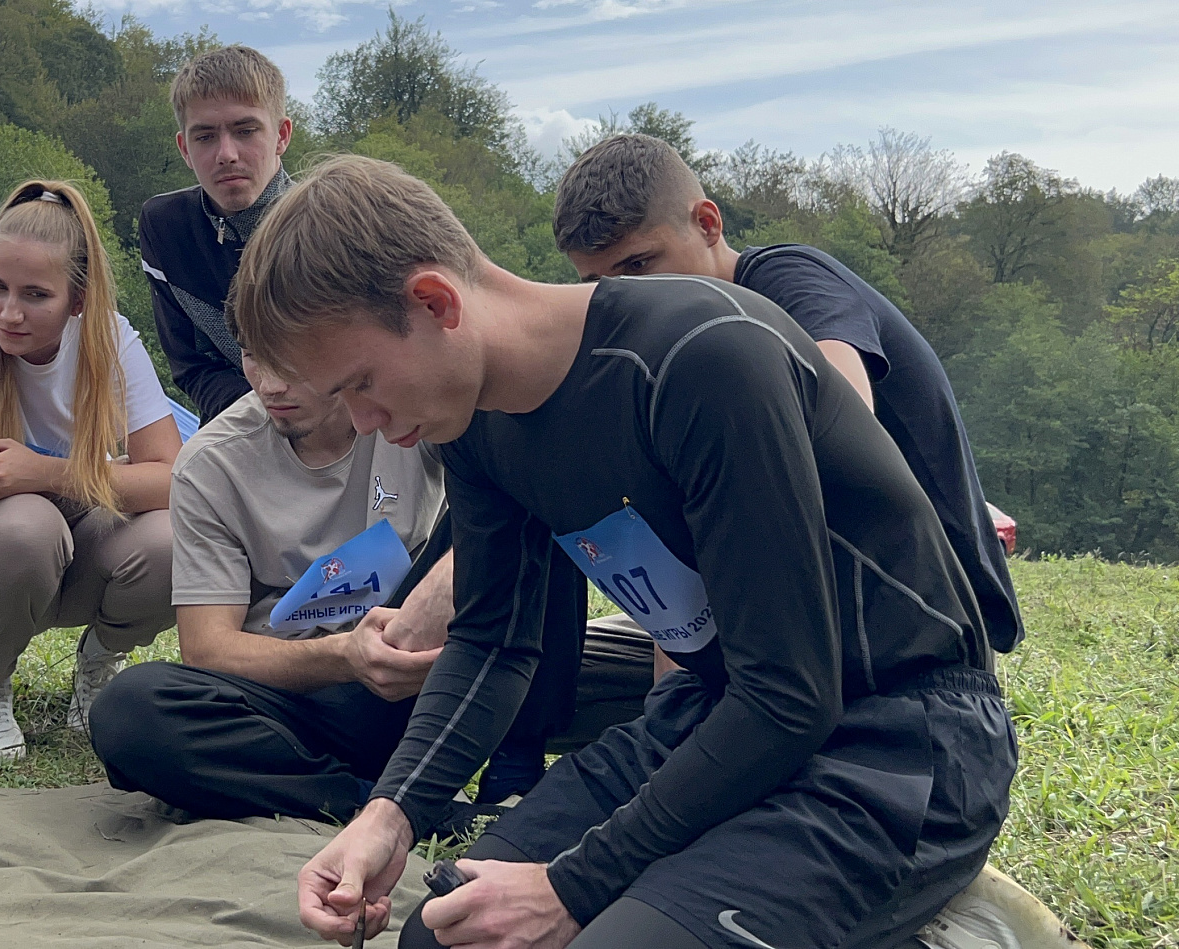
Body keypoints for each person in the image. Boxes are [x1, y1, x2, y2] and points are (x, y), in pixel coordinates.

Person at [231, 156, 1015, 949]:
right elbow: (493, 638)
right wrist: (388, 815)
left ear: (435, 302)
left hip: (896, 738)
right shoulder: (473, 424)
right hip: (710, 715)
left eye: (360, 382)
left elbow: (790, 693)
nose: (363, 421)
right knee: (444, 938)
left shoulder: (703, 357)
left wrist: (573, 886)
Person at [88, 353, 653, 825]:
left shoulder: (404, 407)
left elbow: (537, 468)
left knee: (540, 503)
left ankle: (515, 775)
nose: (271, 383)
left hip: (429, 659)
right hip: (298, 704)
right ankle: (374, 803)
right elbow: (209, 649)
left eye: (290, 357)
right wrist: (345, 655)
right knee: (131, 708)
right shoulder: (210, 464)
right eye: (254, 356)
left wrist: (459, 568)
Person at [552, 133, 1023, 656]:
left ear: (707, 224)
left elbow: (839, 426)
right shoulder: (667, 346)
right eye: (600, 284)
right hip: (783, 598)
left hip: (917, 612)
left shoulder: (789, 279)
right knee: (542, 675)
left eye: (639, 265)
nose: (625, 298)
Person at [0, 180, 182, 760]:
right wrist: (89, 480)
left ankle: (99, 662)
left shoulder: (110, 339)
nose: (8, 313)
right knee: (24, 523)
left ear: (78, 299)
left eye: (35, 295)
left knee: (174, 538)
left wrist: (44, 471)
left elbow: (174, 479)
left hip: (79, 545)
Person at [137, 45, 294, 421]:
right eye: (205, 137)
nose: (226, 153)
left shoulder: (329, 226)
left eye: (246, 131)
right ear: (184, 149)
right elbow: (191, 365)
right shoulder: (166, 227)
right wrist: (263, 422)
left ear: (281, 135)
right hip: (238, 431)